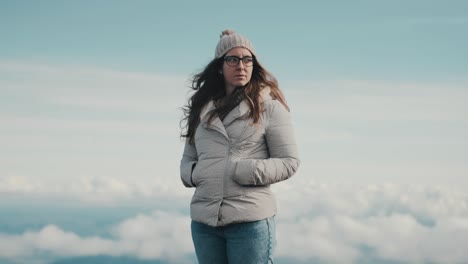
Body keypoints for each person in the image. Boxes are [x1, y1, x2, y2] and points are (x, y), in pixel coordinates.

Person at [180, 29, 300, 264]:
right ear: (219, 66)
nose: (241, 66)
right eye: (232, 59)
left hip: (250, 222)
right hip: (204, 223)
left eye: (247, 59)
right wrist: (194, 174)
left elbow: (289, 162)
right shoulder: (201, 109)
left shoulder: (269, 107)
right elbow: (188, 158)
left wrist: (242, 170)